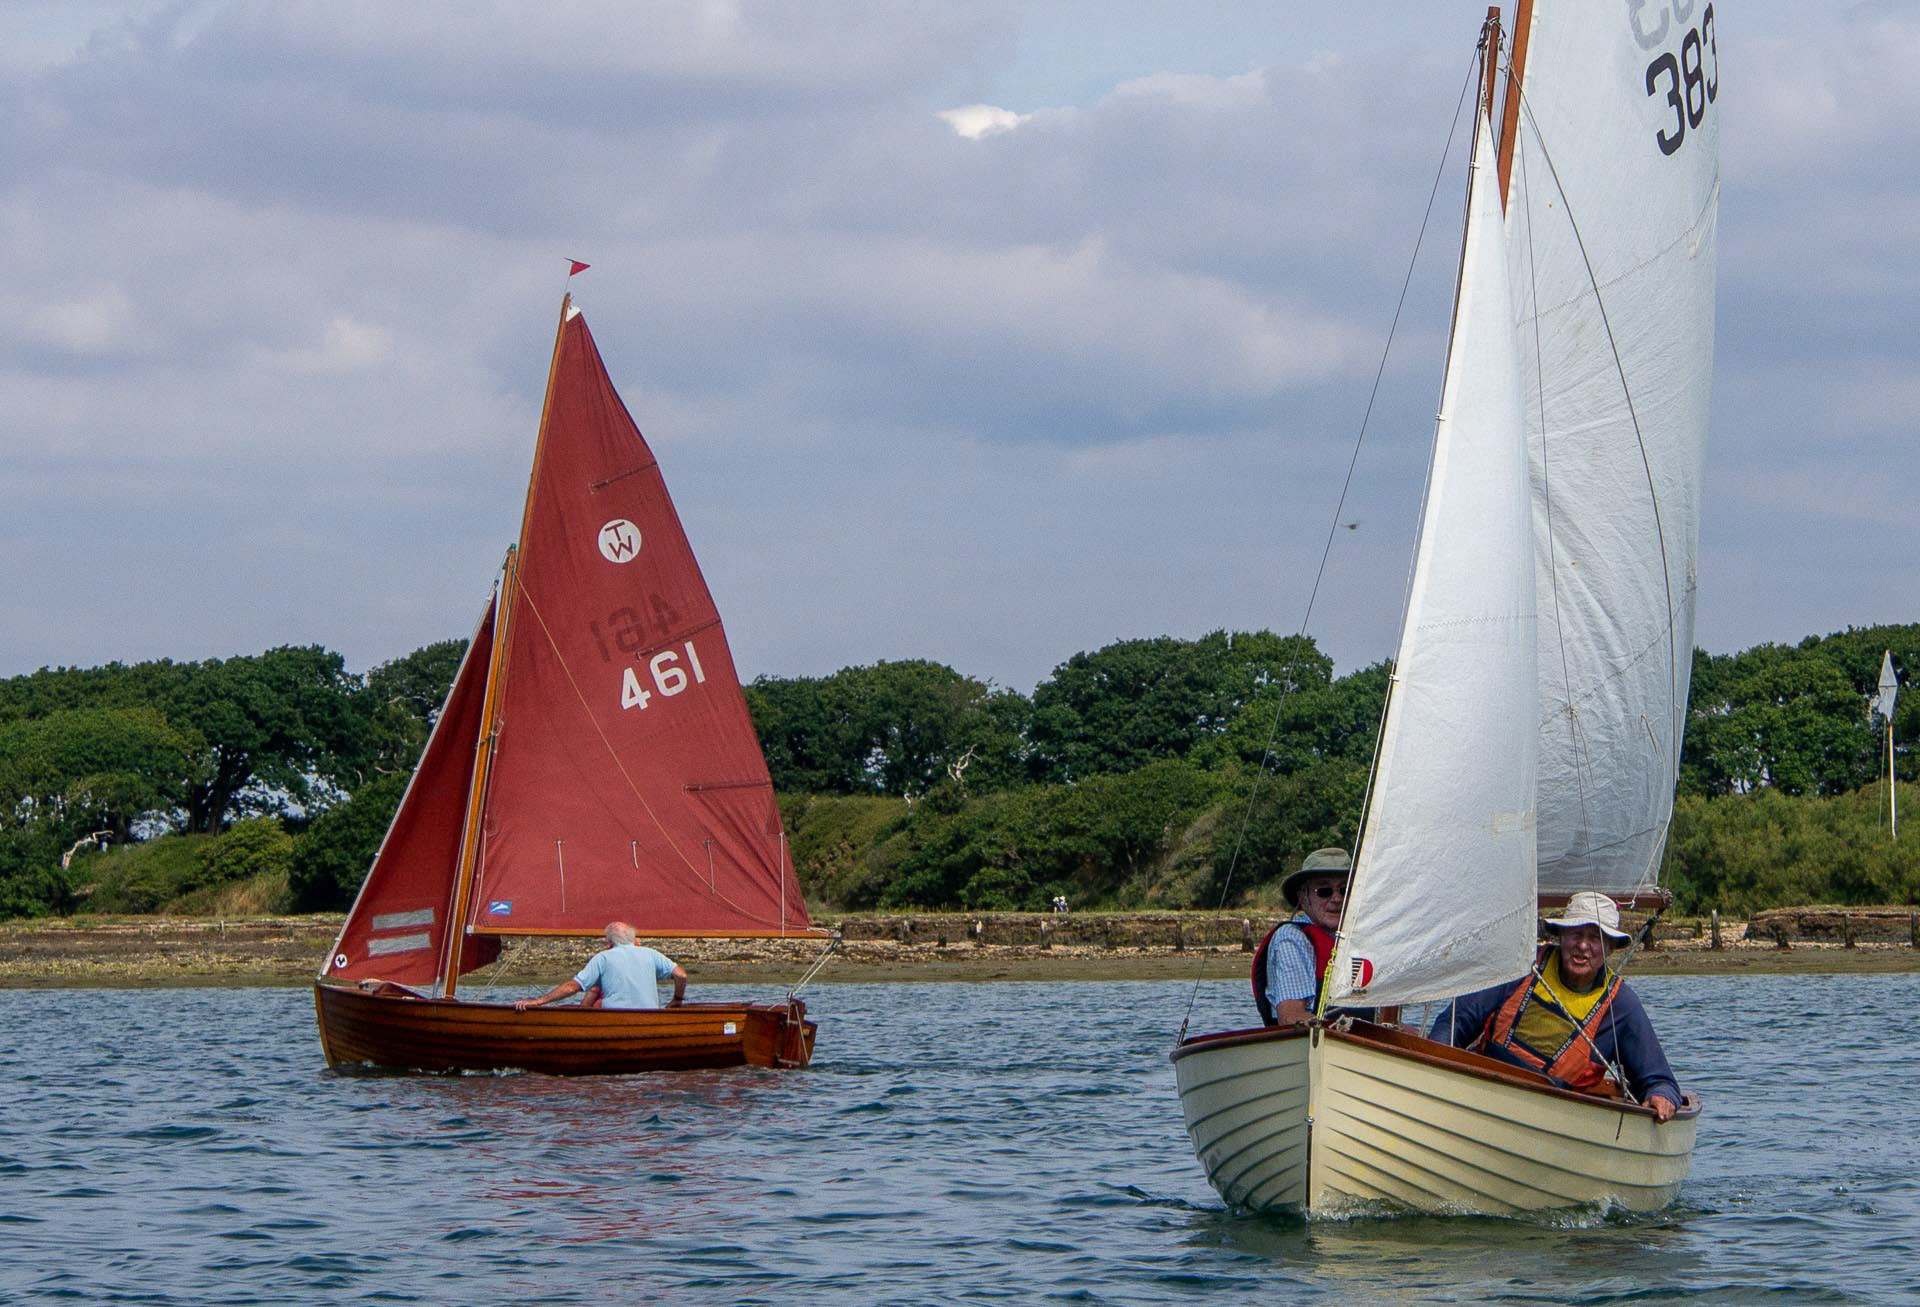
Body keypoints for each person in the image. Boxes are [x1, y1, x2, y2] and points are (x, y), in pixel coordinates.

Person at [1428, 892, 1682, 1121]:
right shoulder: (1521, 966)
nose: (1583, 945)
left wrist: (1661, 1097)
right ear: (1561, 936)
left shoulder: (1621, 1005)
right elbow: (1455, 1022)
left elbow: (1659, 1081)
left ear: (1610, 947)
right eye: (1576, 933)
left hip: (1554, 1120)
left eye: (1595, 937)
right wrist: (1433, 1068)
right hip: (1480, 1097)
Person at [1252, 847, 1372, 1026]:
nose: (1336, 898)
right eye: (1324, 891)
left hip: (1365, 1042)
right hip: (1314, 1045)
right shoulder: (1292, 939)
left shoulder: (1365, 938)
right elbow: (1291, 1017)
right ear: (1303, 897)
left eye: (1345, 890)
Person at [513, 921, 687, 1012]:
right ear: (634, 938)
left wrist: (539, 1001)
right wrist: (677, 999)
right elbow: (681, 975)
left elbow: (573, 987)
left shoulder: (603, 957)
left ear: (609, 941)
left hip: (615, 1020)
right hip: (649, 1020)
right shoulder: (651, 953)